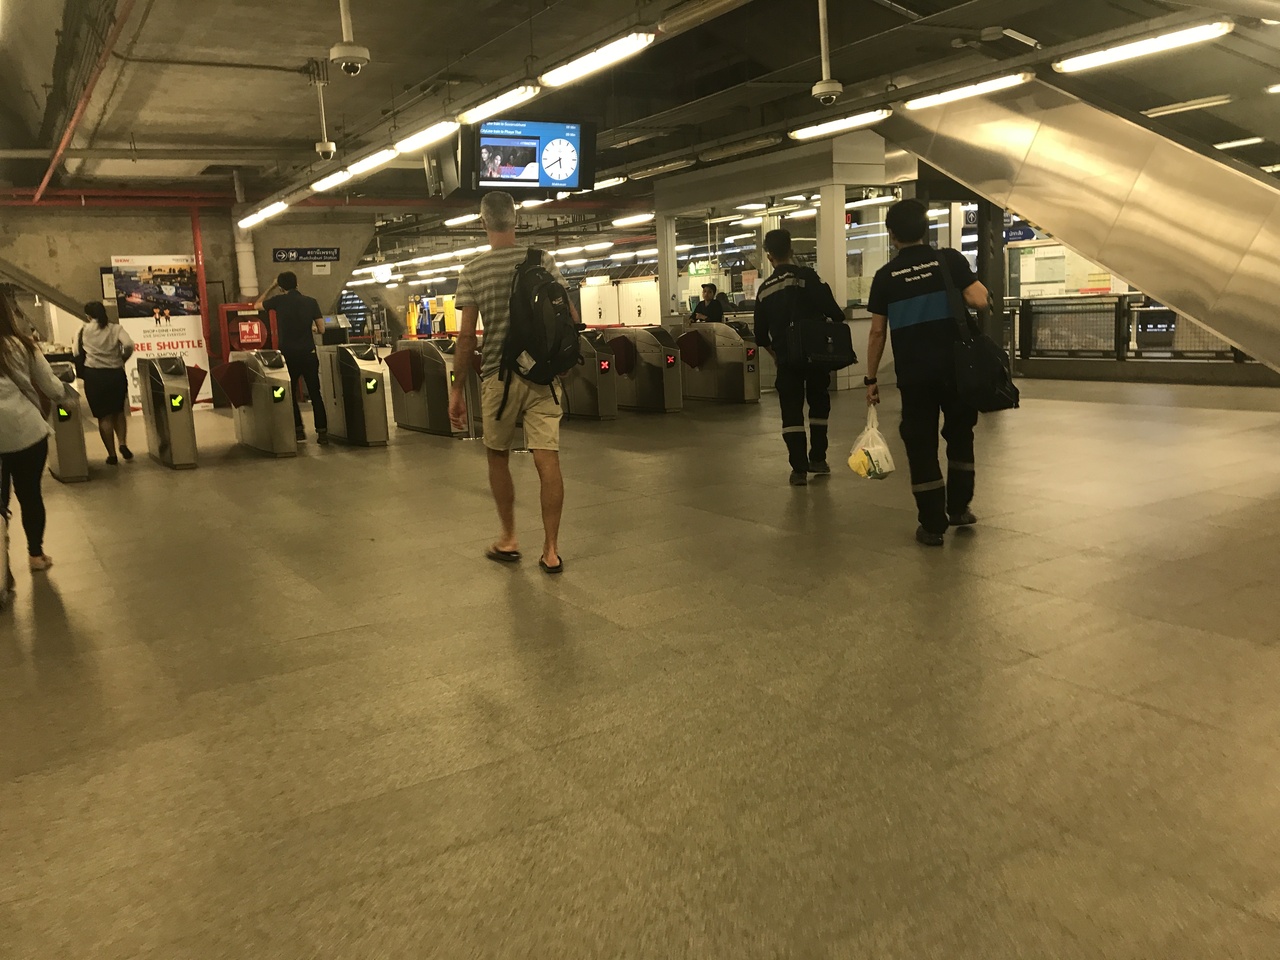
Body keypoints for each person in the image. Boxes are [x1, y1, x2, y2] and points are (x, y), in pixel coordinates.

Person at [449, 191, 577, 574]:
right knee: (547, 458)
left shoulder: (473, 271)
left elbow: (467, 338)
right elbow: (569, 315)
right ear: (516, 219)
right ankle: (551, 550)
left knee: (498, 455)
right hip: (543, 376)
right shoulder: (542, 259)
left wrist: (456, 389)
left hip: (498, 377)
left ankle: (509, 537)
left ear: (483, 222)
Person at [864, 198, 990, 546]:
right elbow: (980, 299)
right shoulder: (949, 260)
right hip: (956, 369)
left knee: (920, 444)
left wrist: (871, 379)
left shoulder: (885, 277)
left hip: (914, 375)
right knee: (960, 434)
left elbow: (877, 333)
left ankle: (932, 526)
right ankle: (959, 509)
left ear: (891, 235)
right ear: (926, 229)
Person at [753, 228, 847, 486]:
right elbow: (836, 313)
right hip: (816, 356)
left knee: (791, 412)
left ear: (769, 256)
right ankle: (818, 458)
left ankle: (798, 470)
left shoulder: (764, 290)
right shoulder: (808, 278)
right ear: (791, 250)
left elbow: (760, 335)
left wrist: (776, 355)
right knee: (819, 406)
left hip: (787, 359)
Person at [0, 289, 75, 571]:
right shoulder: (22, 346)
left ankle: (1, 562)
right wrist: (67, 397)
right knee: (30, 495)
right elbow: (51, 386)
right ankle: (35, 555)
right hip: (27, 433)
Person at [255, 271, 328, 444]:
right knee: (315, 394)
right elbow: (322, 329)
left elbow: (256, 305)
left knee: (291, 393)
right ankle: (322, 432)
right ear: (297, 284)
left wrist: (271, 286)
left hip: (289, 356)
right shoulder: (311, 302)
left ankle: (298, 430)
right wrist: (312, 329)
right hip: (309, 355)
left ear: (281, 287)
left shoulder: (278, 301)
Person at [77, 301, 135, 465]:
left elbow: (75, 352)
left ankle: (112, 455)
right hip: (115, 375)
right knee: (118, 411)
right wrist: (122, 358)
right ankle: (122, 444)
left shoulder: (83, 329)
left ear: (88, 316)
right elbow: (129, 344)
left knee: (104, 417)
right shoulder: (115, 328)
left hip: (94, 376)